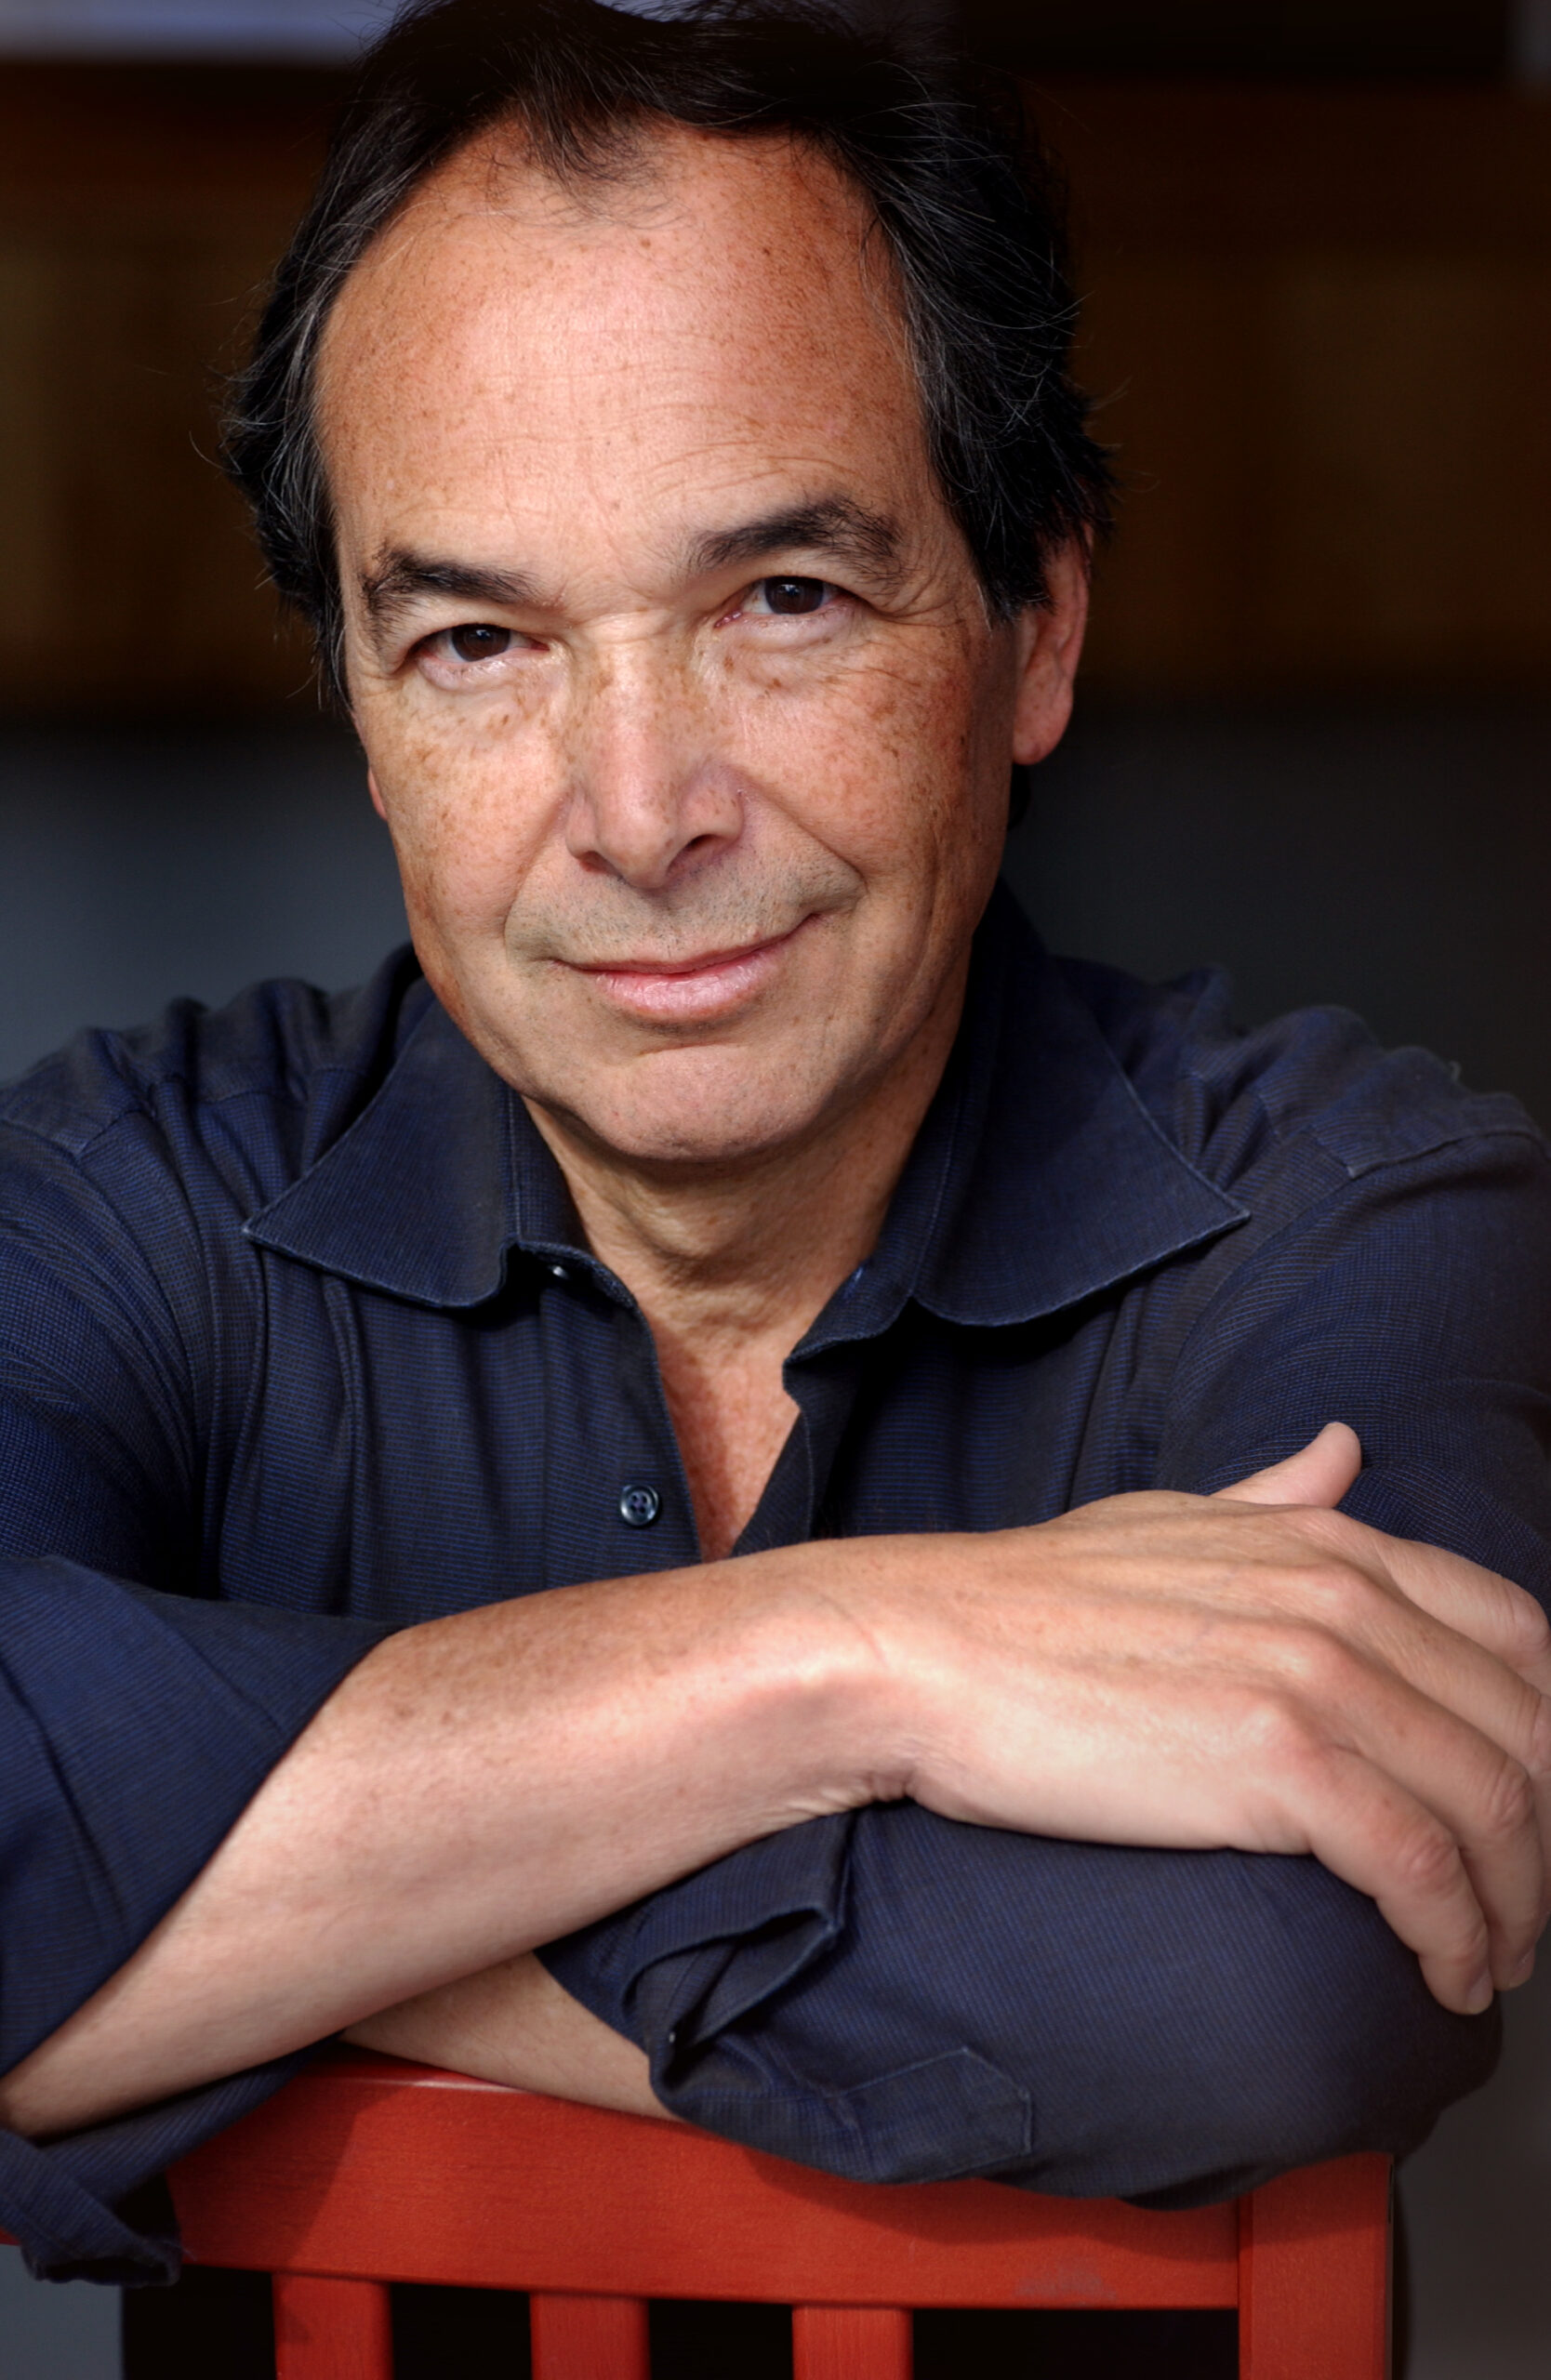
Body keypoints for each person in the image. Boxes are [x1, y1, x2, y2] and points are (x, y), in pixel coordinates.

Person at [2, 0, 1550, 2307]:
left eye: (784, 601)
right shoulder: (121, 1204)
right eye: (478, 640)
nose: (641, 815)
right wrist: (847, 1659)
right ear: (364, 710)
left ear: (1036, 626)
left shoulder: (1362, 1219)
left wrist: (213, 1925)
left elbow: (1283, 1970)